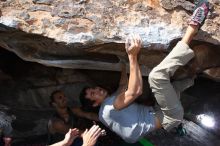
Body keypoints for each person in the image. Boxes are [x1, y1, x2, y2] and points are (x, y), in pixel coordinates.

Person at [79, 0, 210, 143]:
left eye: (94, 88)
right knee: (156, 77)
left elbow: (123, 86)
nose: (97, 89)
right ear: (95, 104)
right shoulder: (108, 108)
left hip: (160, 113)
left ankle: (195, 77)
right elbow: (135, 91)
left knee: (174, 87)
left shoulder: (110, 105)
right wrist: (132, 56)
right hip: (169, 116)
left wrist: (123, 64)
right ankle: (193, 27)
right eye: (93, 93)